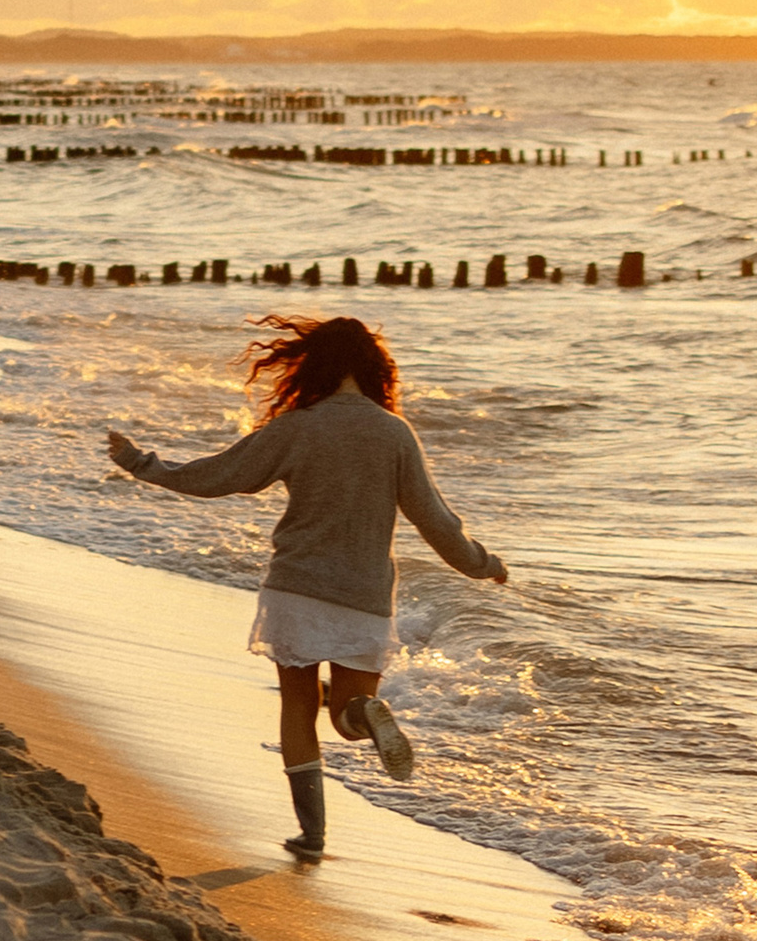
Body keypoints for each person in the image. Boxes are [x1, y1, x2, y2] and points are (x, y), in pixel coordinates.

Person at [105, 314, 507, 859]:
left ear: (311, 364)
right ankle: (365, 714)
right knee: (345, 717)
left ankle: (312, 834)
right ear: (373, 368)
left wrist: (142, 464)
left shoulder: (298, 427)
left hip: (296, 589)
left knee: (297, 707)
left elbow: (219, 476)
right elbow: (434, 520)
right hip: (363, 596)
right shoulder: (394, 434)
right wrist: (481, 564)